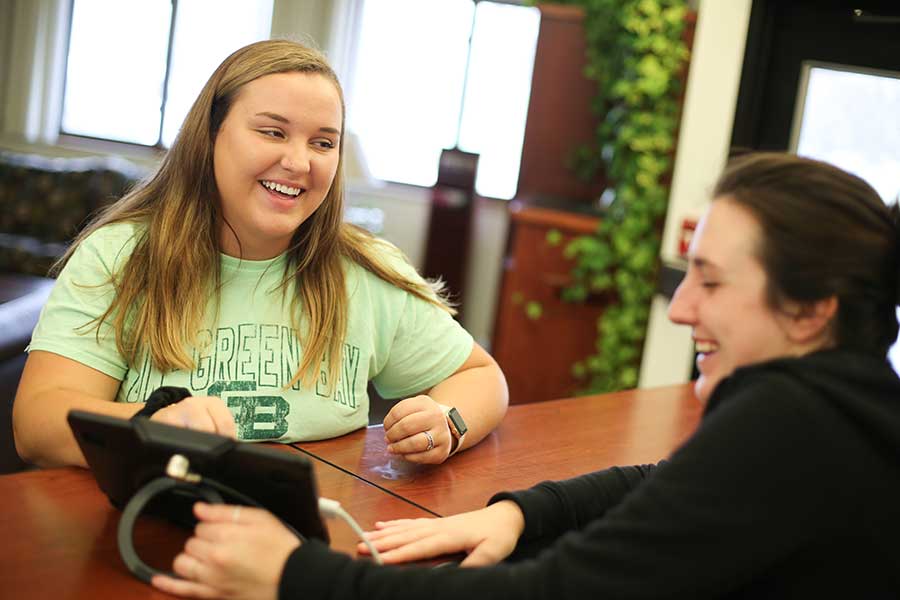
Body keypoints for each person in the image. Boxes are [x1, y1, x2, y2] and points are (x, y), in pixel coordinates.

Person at [152, 152, 900, 599]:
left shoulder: (792, 427)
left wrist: (293, 576)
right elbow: (667, 486)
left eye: (710, 280)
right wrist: (519, 513)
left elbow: (550, 596)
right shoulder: (843, 406)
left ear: (809, 311)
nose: (681, 311)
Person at [13, 39, 508, 469]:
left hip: (314, 540)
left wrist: (448, 422)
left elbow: (481, 378)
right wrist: (153, 422)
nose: (297, 162)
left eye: (323, 142)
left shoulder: (364, 270)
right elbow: (37, 423)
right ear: (210, 135)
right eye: (272, 131)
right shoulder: (117, 256)